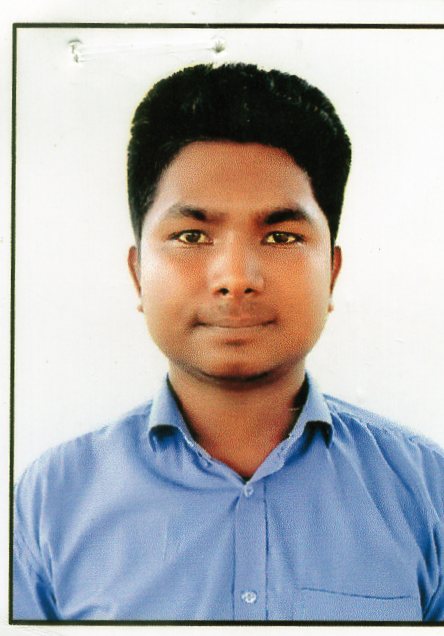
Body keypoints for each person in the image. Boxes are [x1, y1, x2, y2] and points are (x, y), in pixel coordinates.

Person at [13, 62, 444, 622]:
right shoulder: (48, 501)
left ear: (332, 273)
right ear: (139, 273)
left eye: (281, 236)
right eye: (192, 235)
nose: (236, 277)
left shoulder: (428, 492)